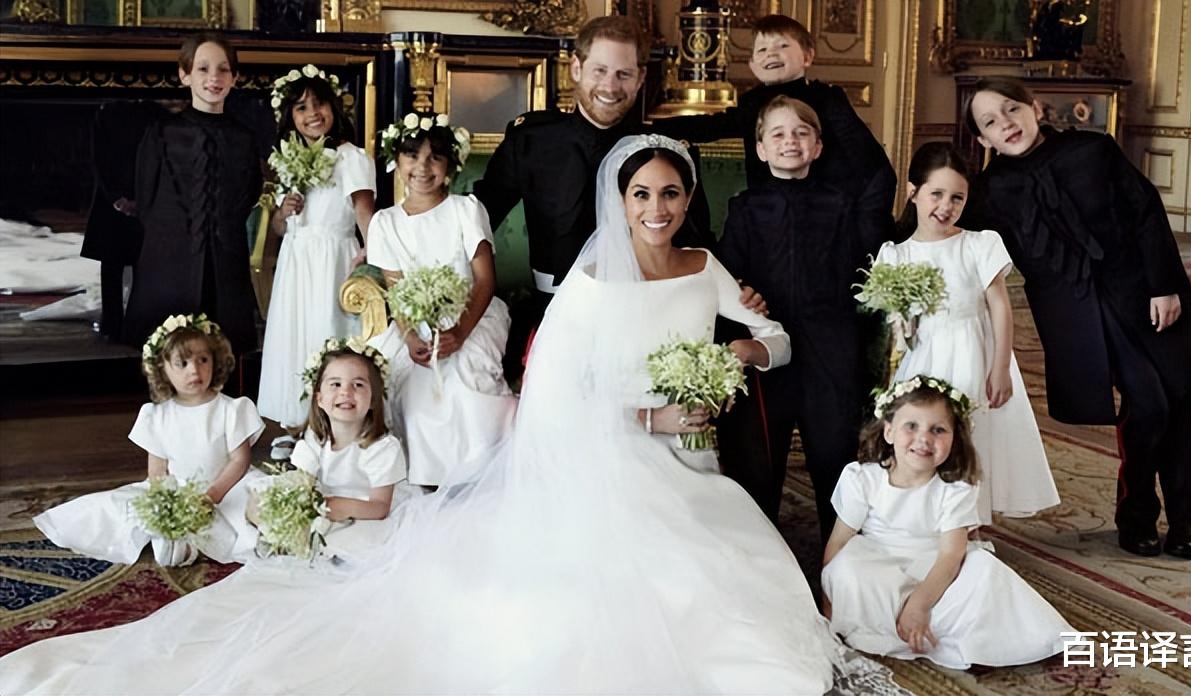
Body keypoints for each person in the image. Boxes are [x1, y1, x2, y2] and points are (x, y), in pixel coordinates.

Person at [0, 135, 902, 696]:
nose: (658, 210)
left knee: (737, 563)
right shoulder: (591, 279)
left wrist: (737, 356)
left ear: (687, 200)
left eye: (671, 194)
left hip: (693, 454)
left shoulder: (705, 266)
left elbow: (775, 337)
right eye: (641, 195)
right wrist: (649, 420)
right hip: (613, 454)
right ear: (619, 203)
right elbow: (559, 385)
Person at [959, 76, 1191, 558]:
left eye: (1011, 110)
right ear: (983, 140)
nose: (1006, 124)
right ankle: (1139, 509)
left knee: (1177, 396)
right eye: (990, 122)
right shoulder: (991, 190)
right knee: (1151, 401)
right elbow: (955, 236)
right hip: (1075, 314)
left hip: (1142, 290)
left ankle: (1188, 517)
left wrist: (1164, 284)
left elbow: (1145, 211)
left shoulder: (1093, 151)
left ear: (1034, 107)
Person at [472, 14, 720, 380]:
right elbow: (477, 218)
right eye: (600, 71)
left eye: (623, 74)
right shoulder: (531, 141)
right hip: (553, 311)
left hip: (645, 316)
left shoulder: (663, 151)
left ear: (640, 78)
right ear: (576, 68)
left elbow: (696, 243)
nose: (610, 85)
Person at [718, 97, 884, 541]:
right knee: (758, 460)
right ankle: (759, 554)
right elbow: (727, 275)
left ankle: (840, 554)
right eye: (778, 133)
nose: (790, 141)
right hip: (766, 345)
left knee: (833, 453)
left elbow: (861, 271)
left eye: (801, 133)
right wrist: (741, 292)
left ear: (817, 146)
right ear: (761, 149)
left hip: (830, 345)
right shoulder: (745, 208)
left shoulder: (842, 205)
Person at [821, 375, 1073, 669]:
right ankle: (893, 624)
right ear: (888, 431)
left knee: (984, 569)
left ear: (954, 438)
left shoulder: (955, 488)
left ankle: (934, 625)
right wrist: (830, 604)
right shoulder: (862, 478)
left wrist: (920, 603)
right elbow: (838, 542)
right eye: (911, 426)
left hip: (936, 566)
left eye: (938, 430)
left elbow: (951, 555)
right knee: (847, 568)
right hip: (878, 565)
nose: (924, 438)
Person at [877, 142, 1059, 524]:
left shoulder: (979, 243)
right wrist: (903, 323)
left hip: (976, 353)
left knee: (975, 436)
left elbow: (999, 307)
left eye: (957, 197)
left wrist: (1000, 368)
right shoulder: (896, 254)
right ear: (913, 193)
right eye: (936, 194)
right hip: (926, 358)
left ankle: (970, 525)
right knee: (927, 436)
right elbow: (900, 325)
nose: (946, 206)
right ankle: (931, 519)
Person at [33, 314, 263, 567]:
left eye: (203, 360)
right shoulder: (157, 415)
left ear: (215, 360)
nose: (194, 370)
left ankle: (200, 541)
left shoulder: (232, 409)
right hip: (179, 488)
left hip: (227, 487)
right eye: (182, 363)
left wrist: (213, 494)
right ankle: (179, 540)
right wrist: (166, 500)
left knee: (254, 508)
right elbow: (157, 468)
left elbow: (239, 460)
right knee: (121, 509)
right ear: (162, 368)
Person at [366, 112, 516, 485]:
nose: (422, 166)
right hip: (414, 321)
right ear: (396, 161)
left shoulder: (466, 209)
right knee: (410, 389)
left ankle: (480, 471)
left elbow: (484, 281)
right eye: (412, 155)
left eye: (435, 157)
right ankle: (423, 474)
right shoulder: (385, 222)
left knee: (467, 384)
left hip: (472, 315)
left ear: (450, 164)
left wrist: (461, 332)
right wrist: (410, 336)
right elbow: (397, 291)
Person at [651, 14, 896, 226]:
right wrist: (652, 128)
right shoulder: (752, 103)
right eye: (762, 50)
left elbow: (865, 156)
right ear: (753, 65)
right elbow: (713, 126)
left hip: (825, 207)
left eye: (782, 46)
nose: (772, 54)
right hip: (770, 208)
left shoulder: (826, 98)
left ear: (807, 56)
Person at [256, 63, 376, 458]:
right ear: (289, 117)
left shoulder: (349, 157)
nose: (312, 114)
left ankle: (331, 425)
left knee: (327, 334)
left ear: (334, 109)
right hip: (297, 261)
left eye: (319, 104)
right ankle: (295, 423)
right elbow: (276, 229)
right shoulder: (287, 161)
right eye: (301, 108)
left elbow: (364, 215)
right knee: (295, 337)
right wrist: (282, 212)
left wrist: (371, 254)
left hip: (332, 260)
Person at [121, 33, 262, 353]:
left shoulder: (244, 138)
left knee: (225, 353)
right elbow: (146, 198)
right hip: (168, 265)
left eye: (224, 69)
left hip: (225, 267)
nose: (214, 77)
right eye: (203, 68)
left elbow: (247, 196)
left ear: (235, 78)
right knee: (168, 355)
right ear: (185, 75)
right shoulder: (160, 133)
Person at [248, 337, 415, 560]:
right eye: (335, 384)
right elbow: (301, 481)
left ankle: (303, 543)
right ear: (320, 399)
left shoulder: (382, 448)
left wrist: (339, 506)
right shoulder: (316, 439)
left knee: (344, 542)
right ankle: (283, 536)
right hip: (326, 505)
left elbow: (380, 507)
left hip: (363, 512)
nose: (346, 392)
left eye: (358, 385)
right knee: (258, 500)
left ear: (374, 399)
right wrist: (297, 506)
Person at [80, 100, 162, 339]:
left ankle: (139, 322)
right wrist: (116, 197)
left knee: (144, 267)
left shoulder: (155, 114)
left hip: (146, 200)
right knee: (112, 266)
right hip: (112, 200)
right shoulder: (108, 113)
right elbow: (100, 159)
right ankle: (113, 324)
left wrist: (145, 199)